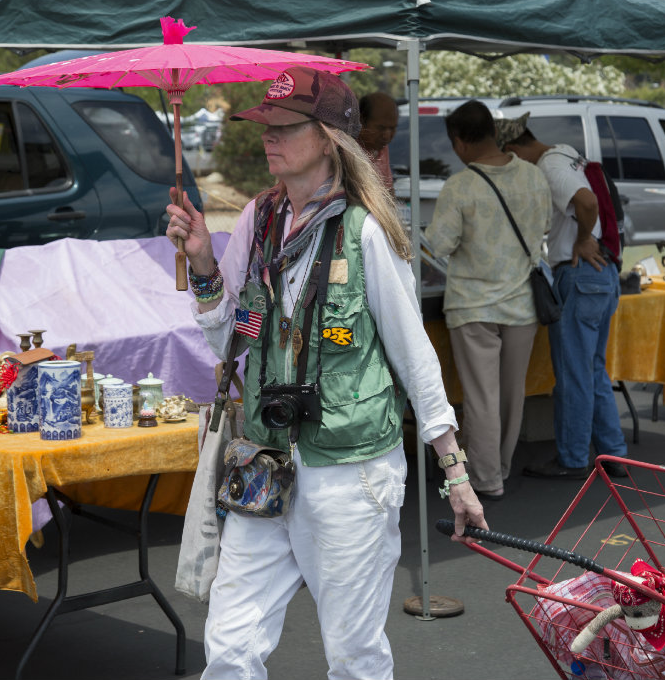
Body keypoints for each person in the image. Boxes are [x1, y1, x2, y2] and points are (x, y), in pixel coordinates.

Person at [165, 66, 486, 680]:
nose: (269, 137)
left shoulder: (366, 232)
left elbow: (414, 354)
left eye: (286, 126)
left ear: (330, 138)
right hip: (264, 462)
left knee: (353, 655)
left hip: (351, 474)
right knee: (229, 645)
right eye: (264, 124)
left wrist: (454, 468)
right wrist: (203, 260)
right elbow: (226, 338)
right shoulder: (258, 220)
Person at [424, 101, 551, 501]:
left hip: (473, 305)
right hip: (522, 306)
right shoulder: (534, 176)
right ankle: (503, 467)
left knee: (481, 399)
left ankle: (485, 478)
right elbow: (544, 226)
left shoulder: (460, 186)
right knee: (512, 397)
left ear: (459, 140)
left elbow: (440, 243)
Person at [496, 116, 628, 480]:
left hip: (582, 271)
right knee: (592, 370)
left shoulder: (550, 165)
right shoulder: (568, 154)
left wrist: (584, 237)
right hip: (601, 274)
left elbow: (585, 202)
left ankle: (572, 457)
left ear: (511, 151)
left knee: (574, 374)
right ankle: (613, 453)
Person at [358, 91, 399, 191]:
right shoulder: (346, 149)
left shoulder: (381, 147)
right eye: (381, 128)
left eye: (392, 128)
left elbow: (388, 190)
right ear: (361, 121)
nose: (387, 136)